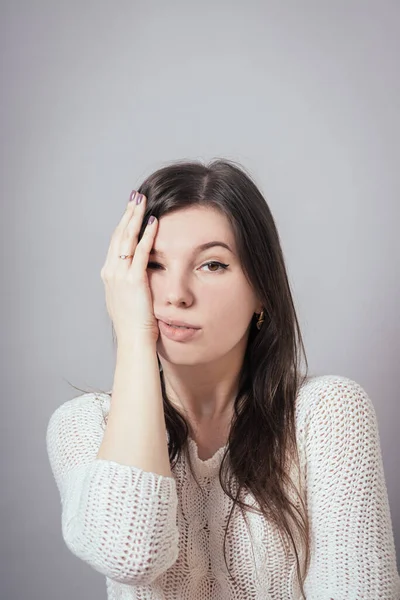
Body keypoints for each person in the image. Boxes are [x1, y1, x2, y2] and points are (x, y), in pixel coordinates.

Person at [46, 159, 400, 599]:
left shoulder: (328, 413)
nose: (176, 294)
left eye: (212, 265)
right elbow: (130, 553)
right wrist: (135, 338)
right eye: (153, 264)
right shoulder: (84, 425)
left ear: (262, 291)